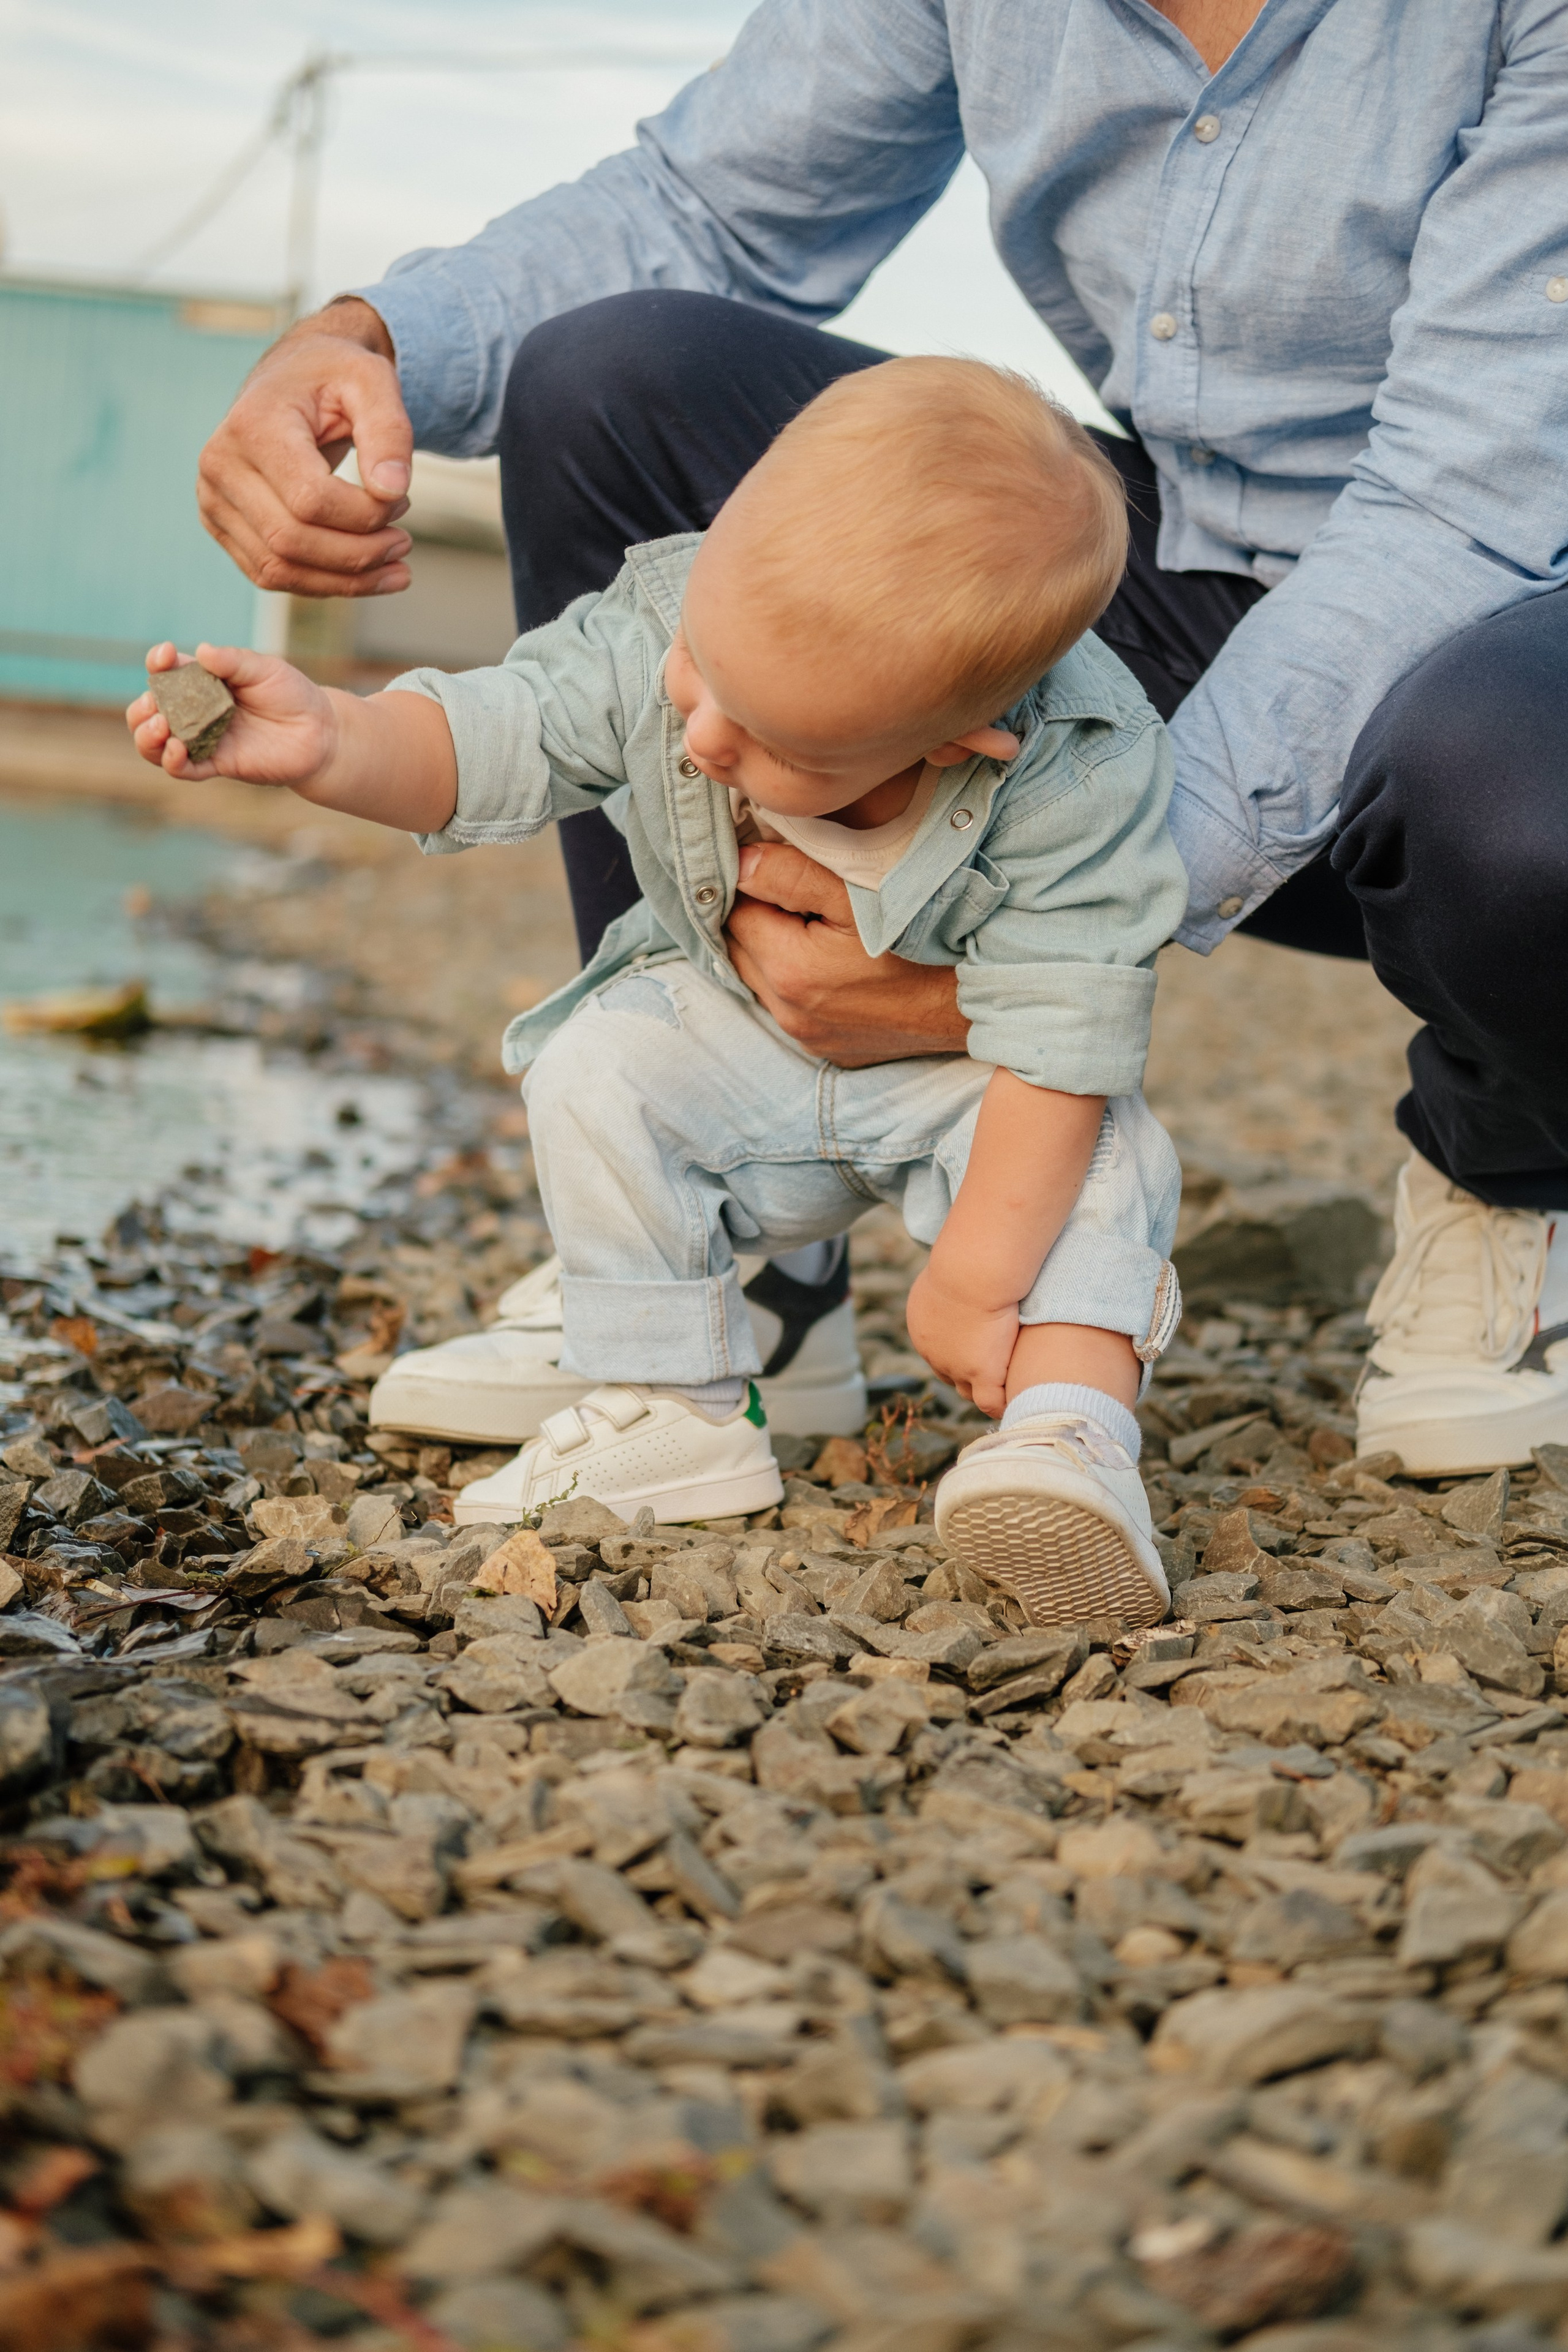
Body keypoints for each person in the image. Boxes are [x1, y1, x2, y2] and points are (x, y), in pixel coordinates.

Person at [197, 0, 1568, 1480]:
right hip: (1169, 561)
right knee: (609, 377)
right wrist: (366, 341)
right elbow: (699, 205)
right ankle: (729, 1230)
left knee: (1519, 799)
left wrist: (1029, 932)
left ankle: (1505, 1177)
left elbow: (1460, 495)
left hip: (1498, 595)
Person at [134, 358, 1190, 1629]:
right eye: (700, 668)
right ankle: (677, 1407)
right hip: (740, 1050)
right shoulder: (670, 621)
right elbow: (493, 738)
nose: (698, 736)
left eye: (768, 740)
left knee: (1104, 1151)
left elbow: (1061, 1043)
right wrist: (329, 739)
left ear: (954, 742)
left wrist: (972, 1279)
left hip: (960, 1084)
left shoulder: (1079, 767)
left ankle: (1067, 1438)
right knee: (596, 1063)